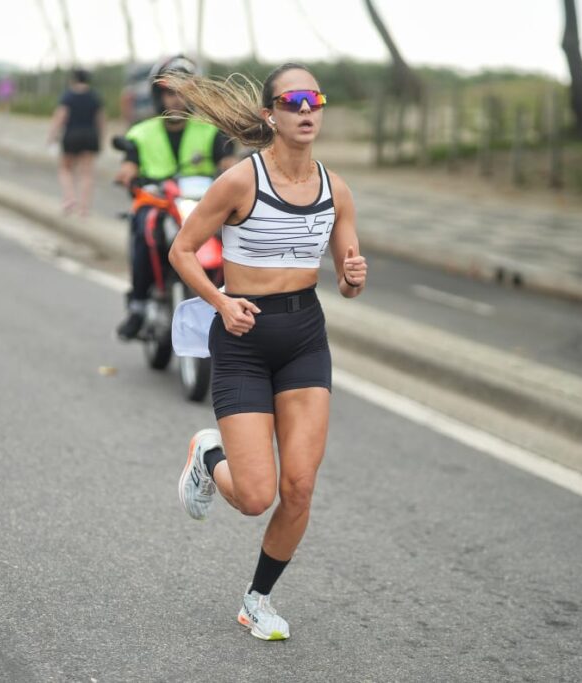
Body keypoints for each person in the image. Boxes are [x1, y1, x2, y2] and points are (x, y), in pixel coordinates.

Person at [167, 63, 367, 640]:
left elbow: (349, 283)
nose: (307, 110)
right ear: (269, 114)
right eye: (293, 101)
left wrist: (354, 275)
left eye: (315, 100)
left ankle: (258, 599)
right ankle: (209, 457)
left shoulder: (336, 189)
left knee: (299, 486)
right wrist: (221, 303)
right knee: (256, 497)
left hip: (304, 337)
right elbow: (183, 250)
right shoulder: (240, 181)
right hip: (242, 339)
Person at [113, 55, 238, 340]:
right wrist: (129, 176)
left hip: (201, 207)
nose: (176, 100)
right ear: (159, 95)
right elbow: (128, 166)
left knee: (236, 233)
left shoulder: (212, 131)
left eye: (183, 93)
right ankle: (139, 305)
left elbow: (230, 164)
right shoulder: (141, 133)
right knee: (144, 227)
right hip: (158, 203)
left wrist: (238, 171)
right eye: (170, 92)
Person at [47, 68, 105, 216]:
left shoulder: (68, 96)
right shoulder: (95, 96)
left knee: (65, 169)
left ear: (73, 79)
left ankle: (70, 198)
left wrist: (52, 136)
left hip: (72, 135)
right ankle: (84, 209)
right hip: (91, 135)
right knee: (87, 174)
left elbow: (60, 117)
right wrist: (101, 138)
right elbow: (101, 120)